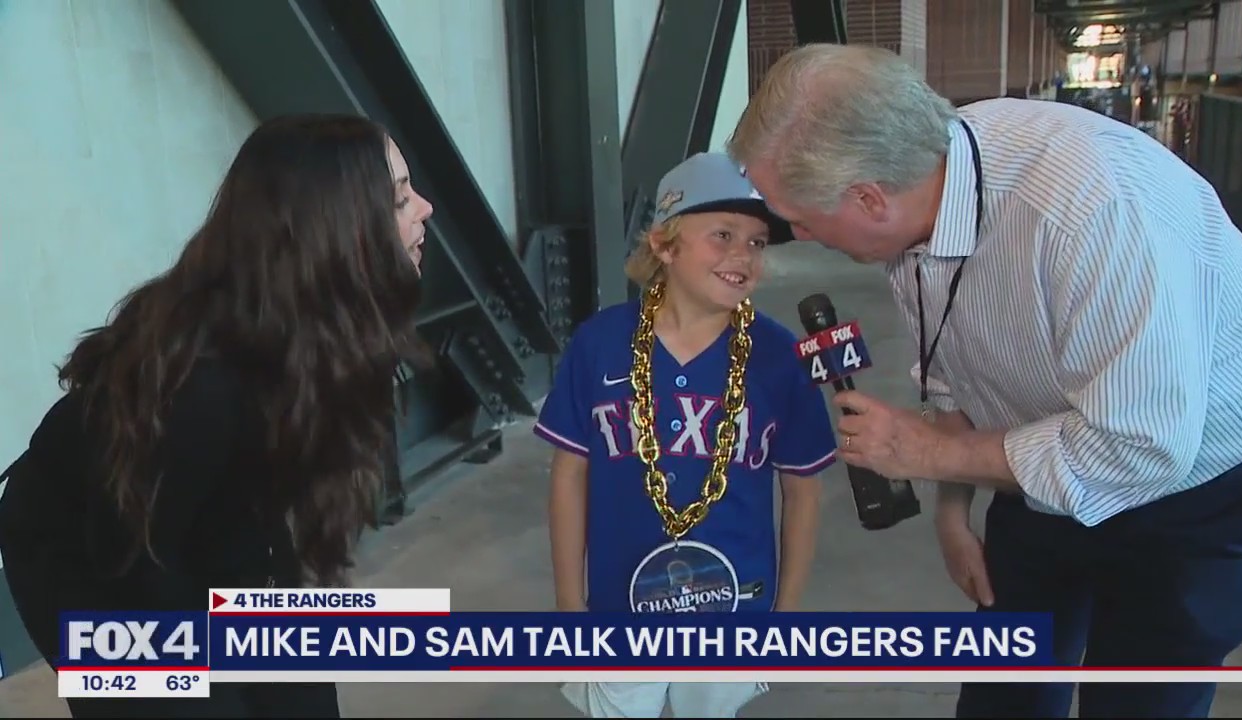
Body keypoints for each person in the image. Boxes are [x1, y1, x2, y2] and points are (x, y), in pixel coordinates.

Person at [728, 43, 1242, 719]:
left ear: (869, 198)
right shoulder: (927, 182)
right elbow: (952, 367)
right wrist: (956, 511)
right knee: (1006, 683)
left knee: (1141, 692)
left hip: (1203, 486)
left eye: (803, 219)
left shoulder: (1092, 209)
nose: (802, 236)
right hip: (1039, 454)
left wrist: (928, 455)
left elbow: (1141, 446)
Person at [0, 113, 435, 717]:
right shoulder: (204, 389)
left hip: (199, 513)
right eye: (400, 198)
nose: (426, 208)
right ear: (338, 230)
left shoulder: (314, 325)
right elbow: (132, 566)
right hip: (89, 543)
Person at [533, 152, 837, 718]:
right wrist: (570, 605)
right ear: (664, 245)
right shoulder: (600, 343)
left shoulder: (777, 357)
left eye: (756, 242)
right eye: (721, 235)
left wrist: (788, 615)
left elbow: (803, 490)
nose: (741, 256)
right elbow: (571, 474)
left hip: (736, 608)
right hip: (616, 608)